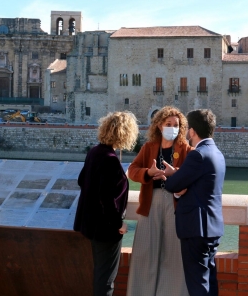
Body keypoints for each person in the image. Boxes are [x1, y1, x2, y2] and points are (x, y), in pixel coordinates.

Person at [126, 106, 192, 296]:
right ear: (159, 126)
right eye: (168, 124)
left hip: (175, 204)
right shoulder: (148, 148)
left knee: (174, 254)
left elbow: (194, 174)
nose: (173, 128)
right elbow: (132, 170)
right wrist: (148, 172)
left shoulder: (187, 149)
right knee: (145, 252)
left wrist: (176, 174)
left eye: (176, 125)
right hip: (151, 203)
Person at [74, 111, 138, 296]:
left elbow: (81, 180)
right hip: (106, 229)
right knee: (106, 279)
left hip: (90, 225)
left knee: (100, 275)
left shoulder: (94, 152)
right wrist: (120, 224)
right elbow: (107, 200)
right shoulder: (110, 160)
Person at [163, 109, 225, 296]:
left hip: (196, 230)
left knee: (197, 284)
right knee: (209, 281)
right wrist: (179, 175)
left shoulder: (198, 155)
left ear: (192, 131)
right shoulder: (217, 153)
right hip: (212, 227)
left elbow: (173, 185)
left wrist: (169, 175)